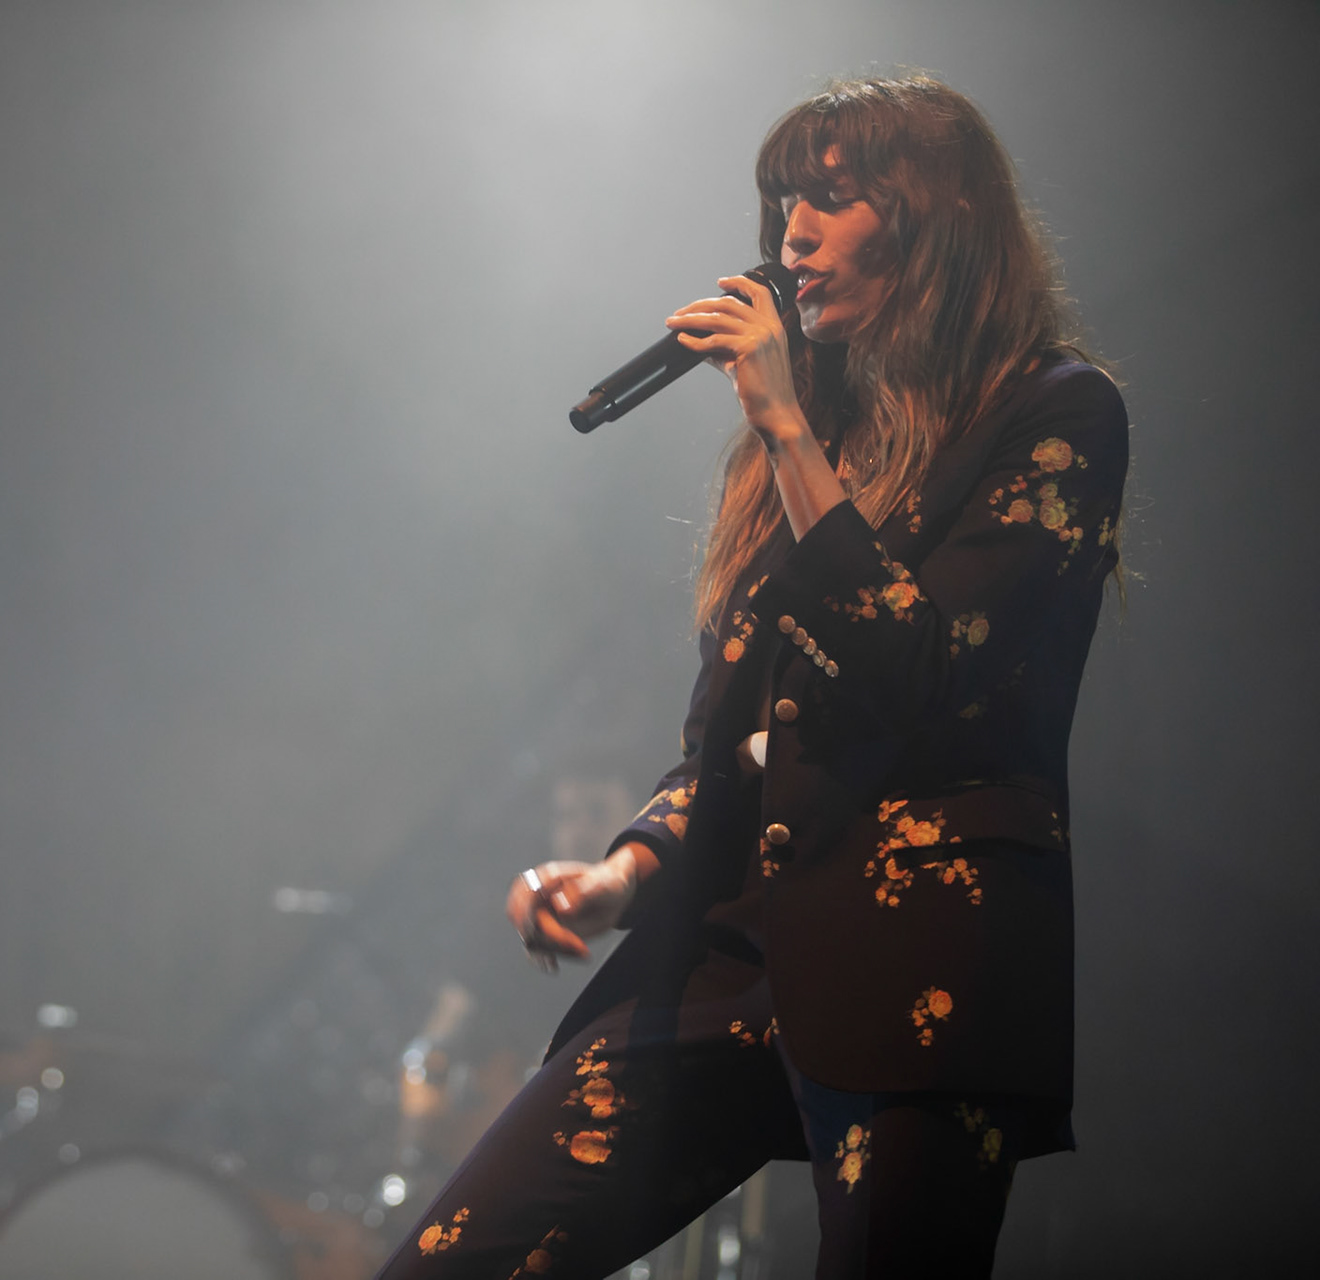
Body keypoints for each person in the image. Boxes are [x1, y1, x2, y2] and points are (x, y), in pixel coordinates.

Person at [375, 74, 1127, 1279]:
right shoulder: (802, 442)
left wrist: (784, 431)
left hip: (916, 958)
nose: (794, 232)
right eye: (785, 200)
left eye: (833, 198)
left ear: (935, 219)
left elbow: (922, 668)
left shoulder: (1056, 417)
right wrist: (631, 867)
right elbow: (737, 738)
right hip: (728, 950)